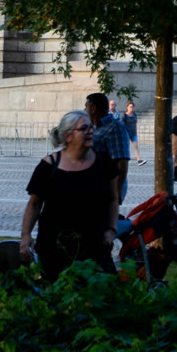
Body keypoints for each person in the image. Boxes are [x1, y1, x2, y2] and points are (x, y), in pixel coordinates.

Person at [19, 109, 120, 281]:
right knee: (56, 291)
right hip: (54, 246)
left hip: (94, 246)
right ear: (68, 136)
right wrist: (25, 235)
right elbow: (34, 204)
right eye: (84, 128)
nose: (90, 132)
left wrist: (111, 230)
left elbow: (113, 198)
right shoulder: (48, 166)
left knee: (99, 291)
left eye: (91, 127)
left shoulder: (104, 163)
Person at [86, 92, 132, 206]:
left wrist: (118, 189)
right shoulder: (94, 127)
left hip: (108, 186)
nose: (84, 110)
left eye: (86, 106)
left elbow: (122, 160)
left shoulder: (115, 127)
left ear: (93, 109)